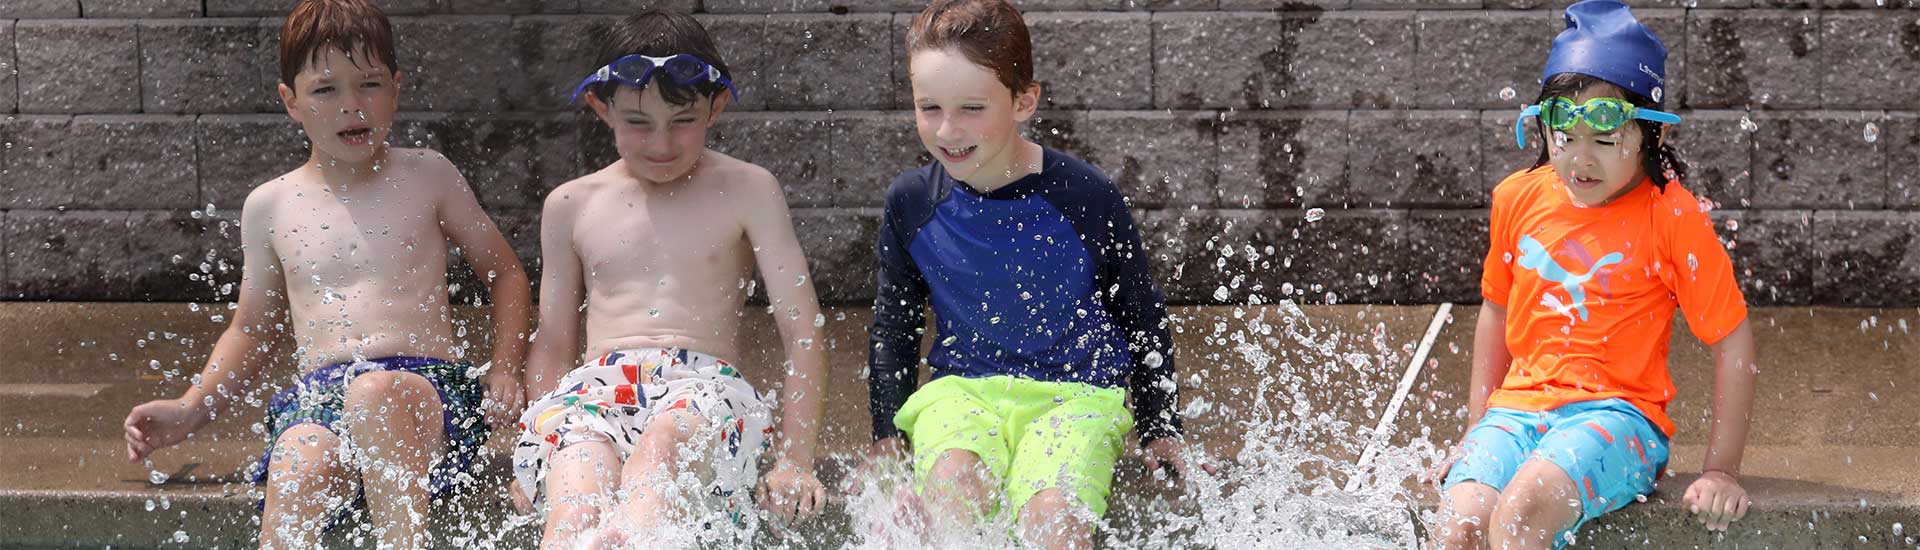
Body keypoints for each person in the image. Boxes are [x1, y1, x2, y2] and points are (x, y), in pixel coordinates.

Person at [121, 1, 534, 547]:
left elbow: (505, 272)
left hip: (423, 393)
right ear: (290, 101)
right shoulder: (271, 206)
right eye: (325, 90)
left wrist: (505, 369)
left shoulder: (427, 175)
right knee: (296, 463)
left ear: (396, 89)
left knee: (374, 394)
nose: (351, 106)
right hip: (322, 397)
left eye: (368, 85)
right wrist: (191, 410)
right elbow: (252, 330)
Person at [864, 1, 1209, 548]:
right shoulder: (912, 202)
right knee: (954, 485)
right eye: (929, 107)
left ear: (1024, 101)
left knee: (1053, 518)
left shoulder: (1084, 197)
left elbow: (1139, 316)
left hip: (1076, 395)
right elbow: (895, 326)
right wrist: (886, 433)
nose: (948, 130)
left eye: (972, 108)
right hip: (962, 392)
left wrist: (1160, 428)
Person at [1427, 2, 1758, 548]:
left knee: (1521, 514)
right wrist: (1474, 431)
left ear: (1647, 136)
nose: (1580, 159)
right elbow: (1497, 311)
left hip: (1619, 419)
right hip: (1516, 411)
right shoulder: (1518, 198)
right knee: (1459, 521)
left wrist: (1721, 469)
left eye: (1604, 139)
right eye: (1565, 136)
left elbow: (1732, 338)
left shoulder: (1671, 217)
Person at [507, 11, 828, 548]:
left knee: (659, 455)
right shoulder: (570, 204)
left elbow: (804, 334)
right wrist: (539, 436)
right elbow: (555, 344)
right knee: (574, 505)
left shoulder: (749, 190)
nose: (661, 143)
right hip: (596, 389)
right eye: (637, 122)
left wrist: (795, 459)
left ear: (715, 106)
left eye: (682, 120)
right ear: (601, 108)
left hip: (706, 390)